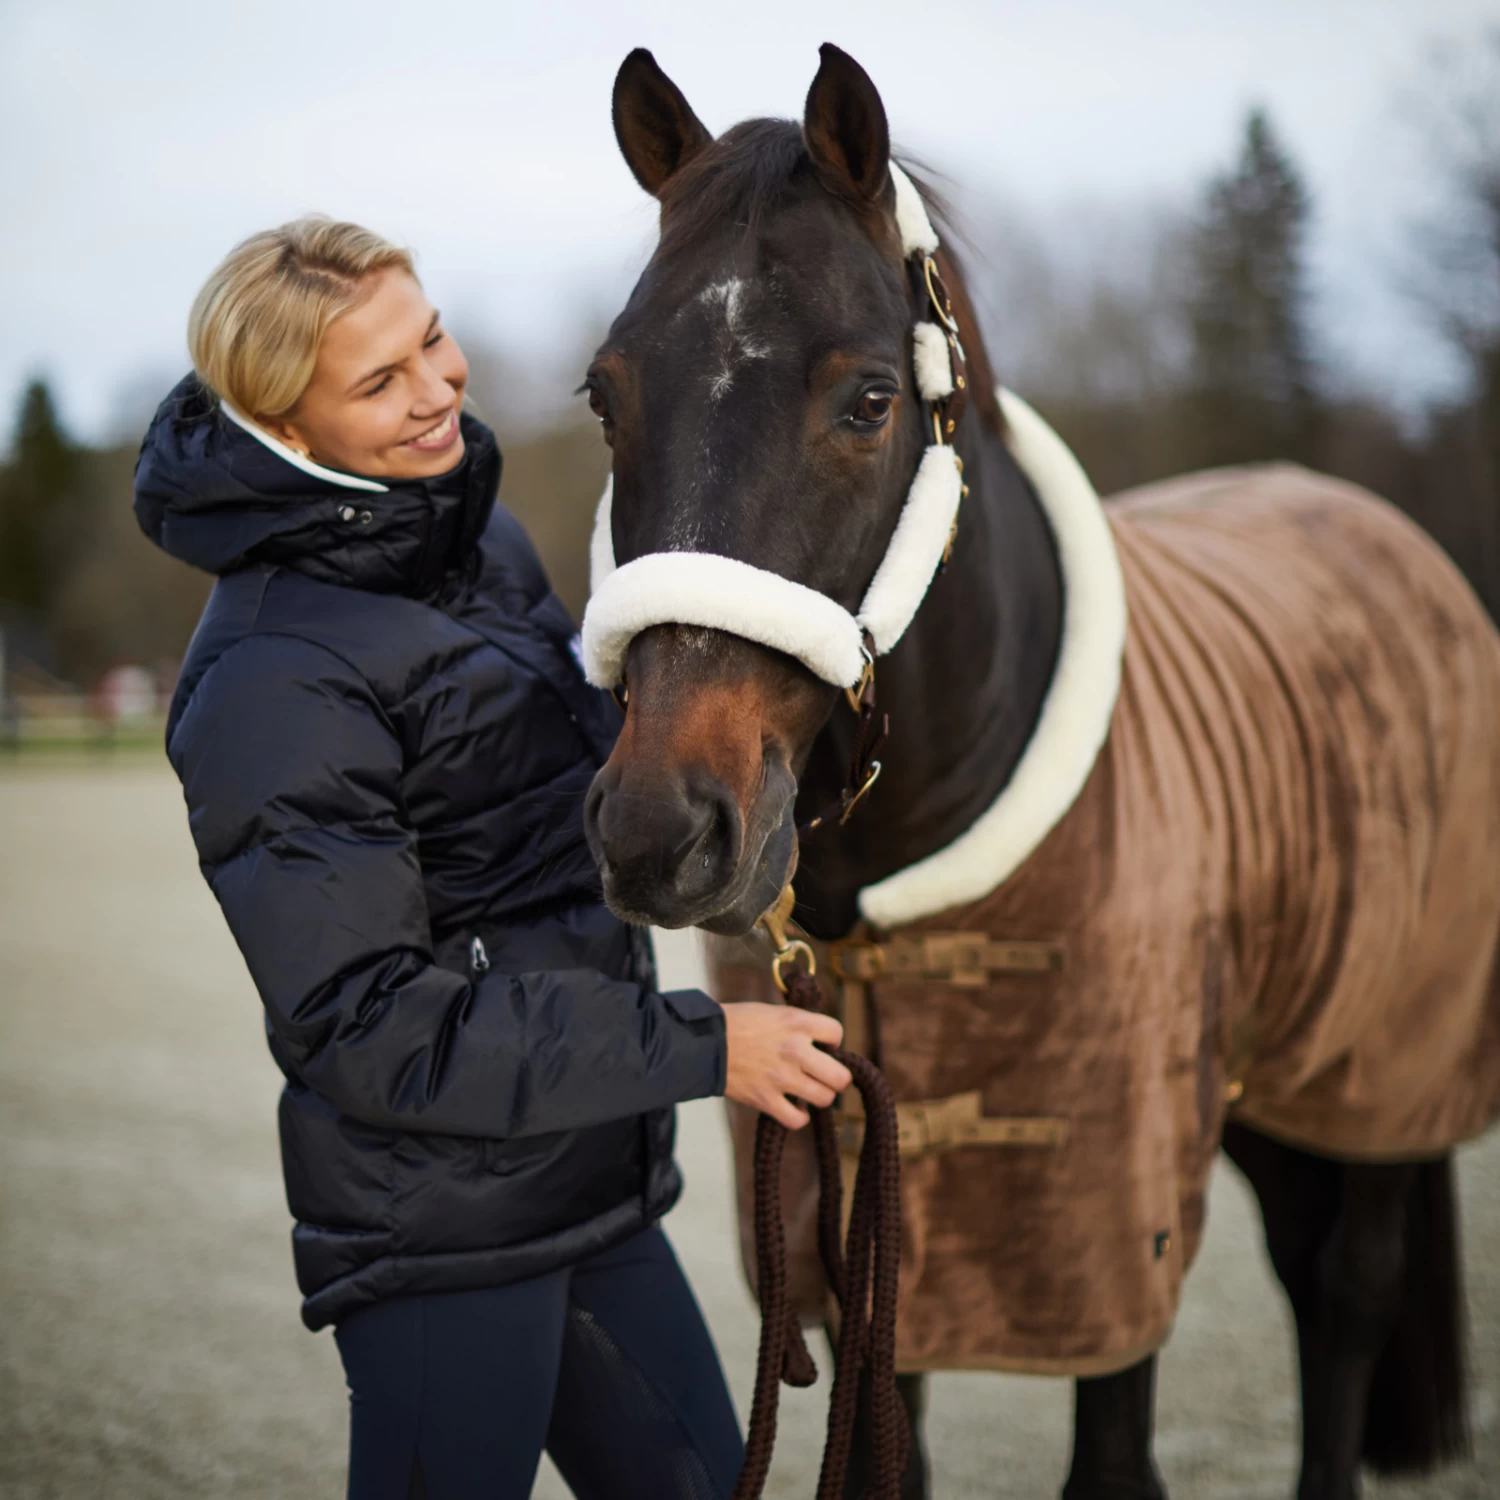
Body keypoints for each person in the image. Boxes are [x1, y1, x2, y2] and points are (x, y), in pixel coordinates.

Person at [134, 217, 851, 1500]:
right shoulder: (270, 678)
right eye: (379, 381)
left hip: (581, 1176)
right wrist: (704, 1047)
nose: (438, 388)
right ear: (287, 435)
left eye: (431, 338)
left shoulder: (475, 542)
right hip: (441, 1235)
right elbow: (369, 1028)